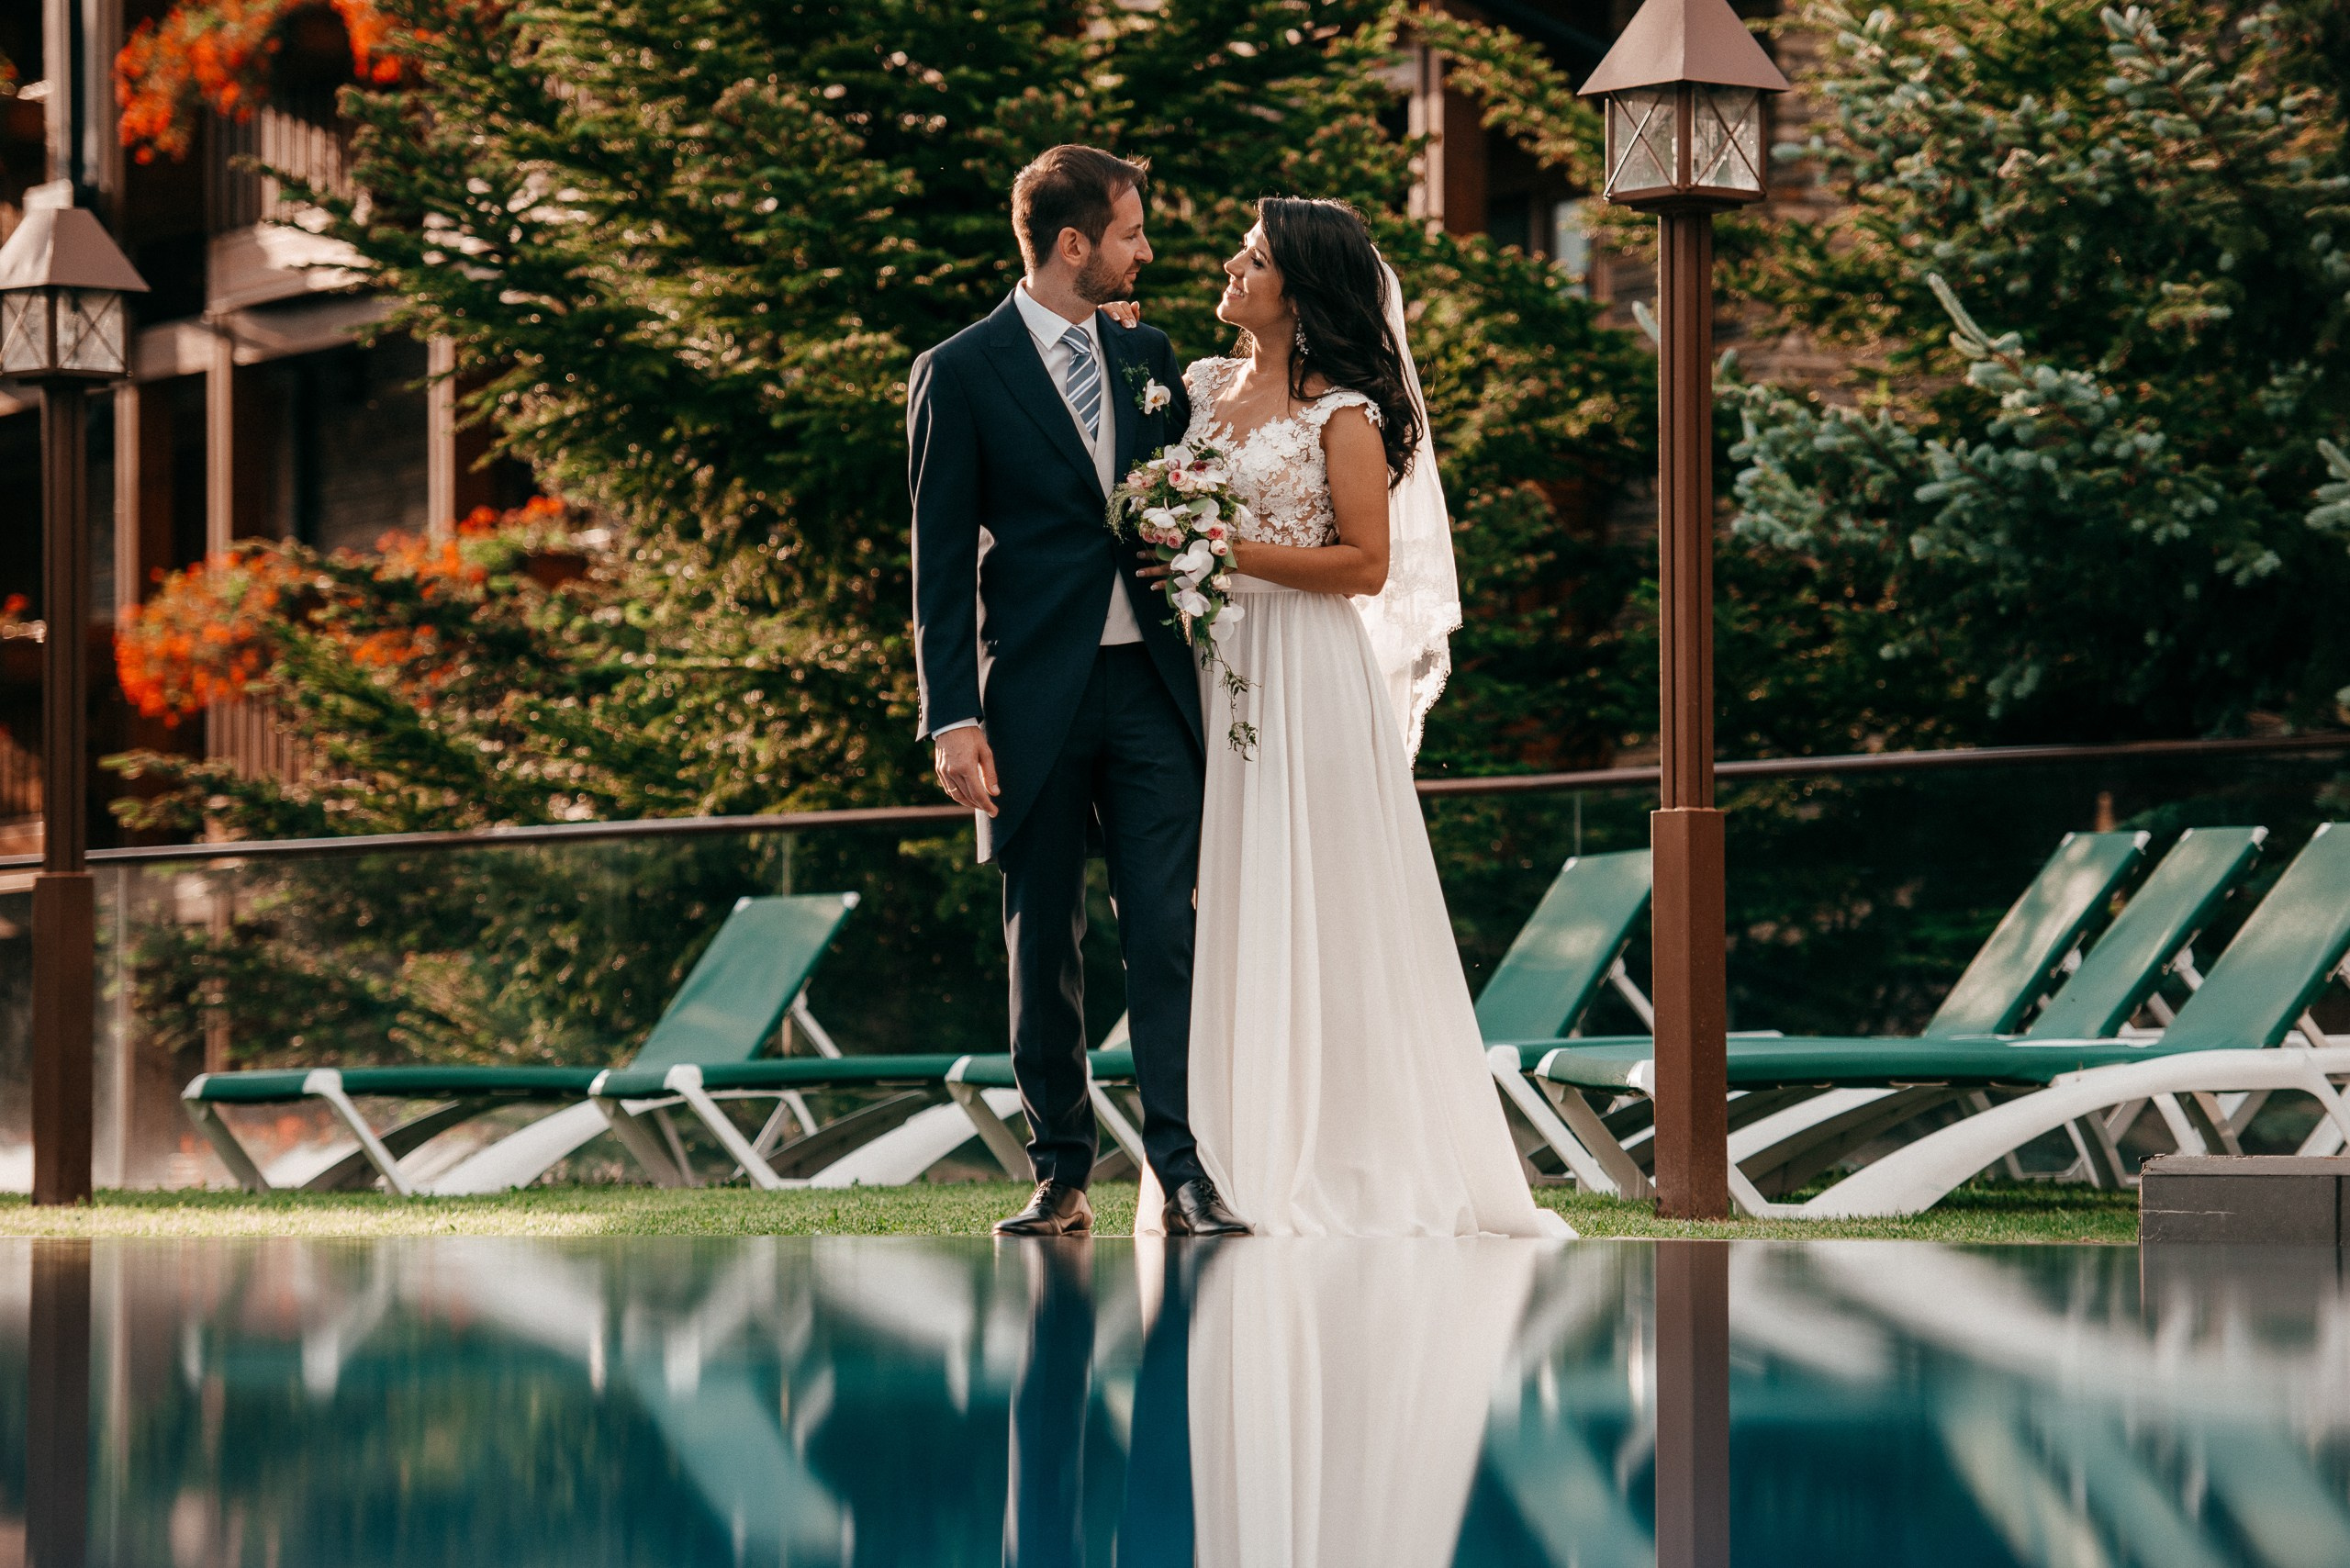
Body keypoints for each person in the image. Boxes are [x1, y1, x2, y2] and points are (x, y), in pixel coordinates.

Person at [1135, 197, 1571, 1239]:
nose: (1232, 266)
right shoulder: (1196, 388)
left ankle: (1338, 1156)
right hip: (1214, 670)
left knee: (1317, 899)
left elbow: (1365, 565)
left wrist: (1219, 554)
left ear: (1301, 290)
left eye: (1255, 258)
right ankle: (1225, 1156)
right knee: (1226, 900)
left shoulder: (1344, 413)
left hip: (1307, 673)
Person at [906, 146, 1249, 1238]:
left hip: (1152, 689)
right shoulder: (958, 370)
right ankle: (1059, 1172)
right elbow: (937, 561)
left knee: (1165, 932)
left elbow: (1187, 494)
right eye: (1130, 232)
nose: (1145, 250)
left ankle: (1183, 1169)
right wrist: (952, 716)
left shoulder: (1147, 353)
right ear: (1072, 243)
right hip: (1026, 701)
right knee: (1042, 941)